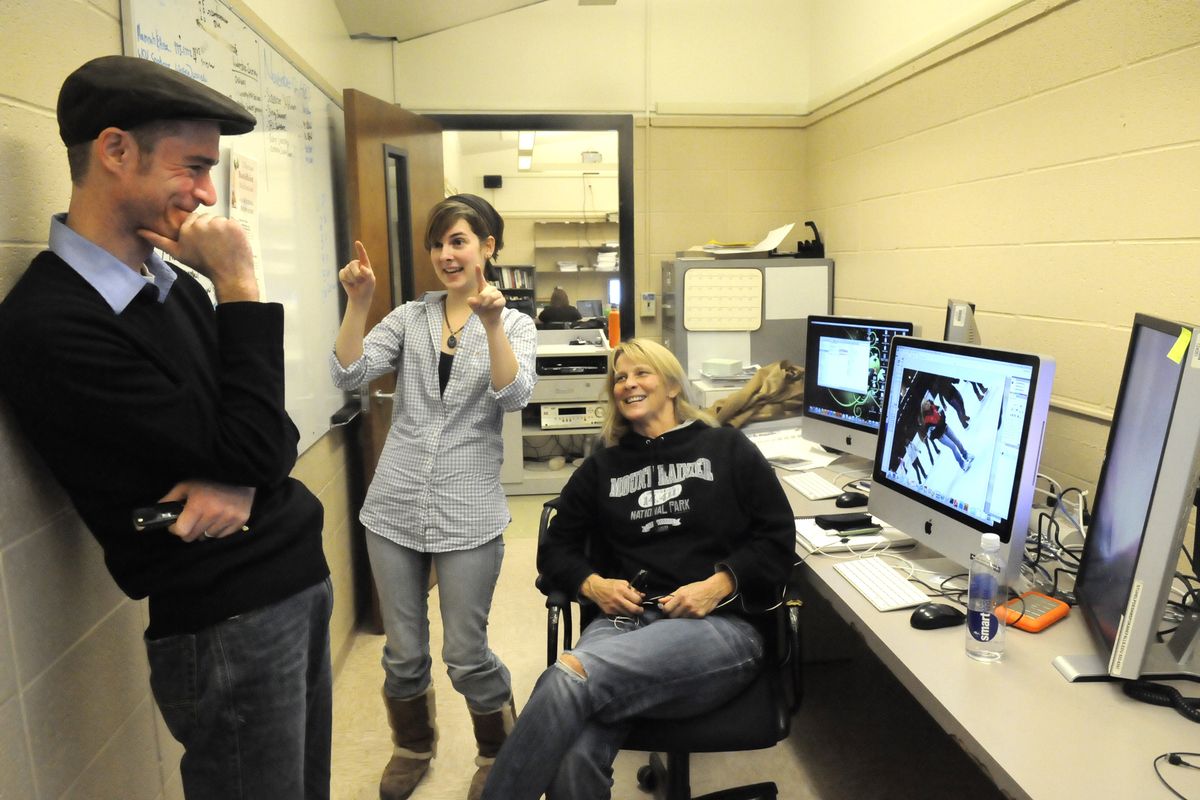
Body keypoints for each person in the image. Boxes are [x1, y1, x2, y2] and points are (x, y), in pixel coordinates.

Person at [0, 56, 332, 798]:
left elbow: (268, 434)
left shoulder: (171, 285)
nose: (209, 194)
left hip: (291, 584)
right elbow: (253, 443)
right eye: (194, 166)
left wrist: (244, 478)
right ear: (116, 151)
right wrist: (241, 285)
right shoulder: (49, 324)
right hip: (224, 621)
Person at [482, 338, 795, 800]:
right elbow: (556, 549)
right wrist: (593, 584)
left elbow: (776, 538)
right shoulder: (603, 467)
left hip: (717, 626)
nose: (627, 384)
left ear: (671, 385)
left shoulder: (727, 448)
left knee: (570, 674)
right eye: (619, 377)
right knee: (571, 754)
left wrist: (718, 583)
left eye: (641, 373)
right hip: (622, 622)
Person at [330, 194, 537, 800]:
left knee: (467, 652)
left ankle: (499, 750)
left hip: (469, 510)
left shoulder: (516, 323)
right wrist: (359, 304)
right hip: (392, 506)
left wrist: (493, 323)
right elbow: (348, 373)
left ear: (488, 249)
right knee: (402, 652)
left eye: (460, 241)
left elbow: (513, 396)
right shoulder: (411, 318)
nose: (446, 255)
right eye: (438, 243)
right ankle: (412, 745)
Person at [920, 399, 973, 471]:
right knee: (953, 446)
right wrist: (938, 431)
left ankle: (965, 455)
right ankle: (963, 464)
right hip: (941, 436)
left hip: (946, 428)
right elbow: (930, 435)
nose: (927, 403)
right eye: (925, 404)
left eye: (927, 402)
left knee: (957, 441)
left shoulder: (935, 407)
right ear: (924, 409)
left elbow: (943, 415)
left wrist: (939, 424)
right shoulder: (926, 421)